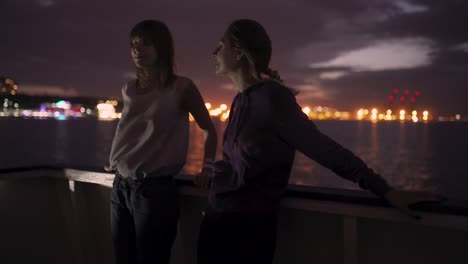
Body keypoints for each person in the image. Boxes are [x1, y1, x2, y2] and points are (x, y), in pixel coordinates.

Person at [197, 19, 442, 264]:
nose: (214, 52)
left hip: (247, 231)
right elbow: (234, 165)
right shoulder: (240, 101)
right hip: (216, 221)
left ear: (239, 52)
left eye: (221, 45)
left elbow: (323, 149)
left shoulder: (273, 99)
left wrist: (384, 189)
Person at [107, 20, 217, 264]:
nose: (137, 49)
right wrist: (116, 158)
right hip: (120, 186)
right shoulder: (129, 89)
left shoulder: (181, 88)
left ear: (162, 48)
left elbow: (209, 129)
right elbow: (128, 129)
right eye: (133, 44)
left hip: (154, 192)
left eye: (146, 43)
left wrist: (207, 167)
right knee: (123, 258)